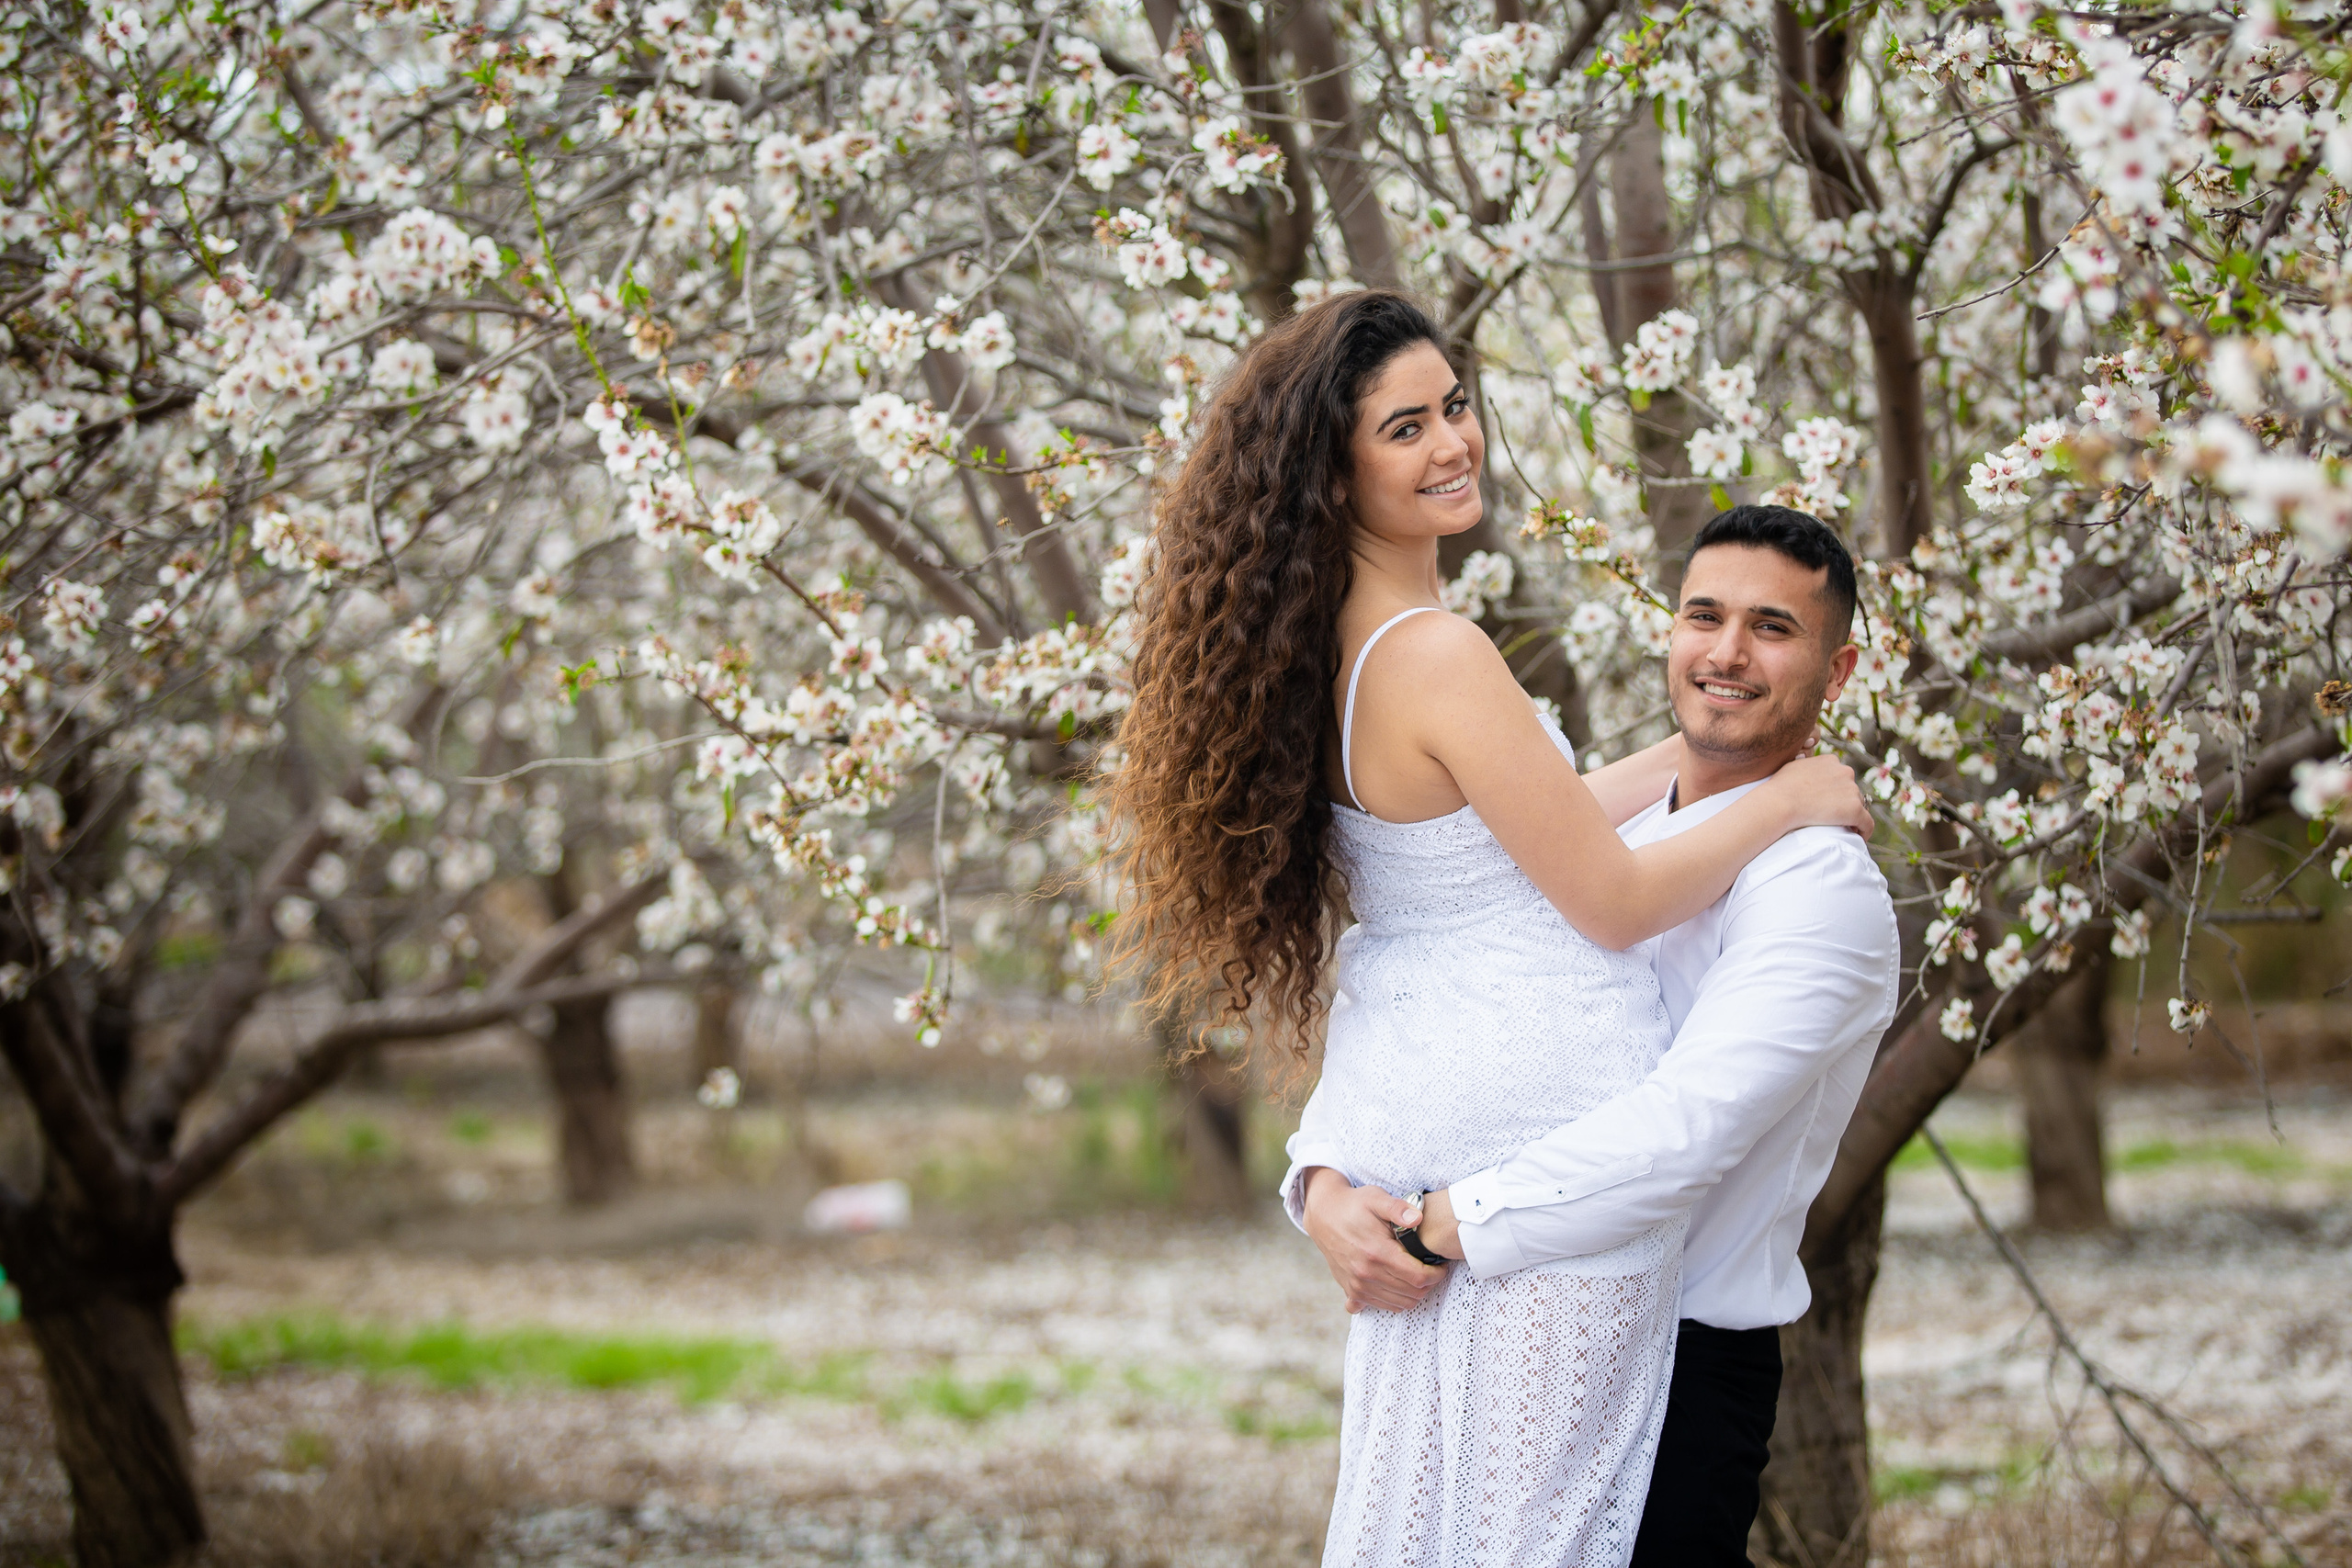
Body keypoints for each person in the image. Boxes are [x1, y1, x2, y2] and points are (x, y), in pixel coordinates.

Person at [1108, 288, 1869, 1568]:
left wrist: (1327, 1167)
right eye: (1404, 428)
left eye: (1455, 405)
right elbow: (1611, 894)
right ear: (1335, 467)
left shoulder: (1342, 649)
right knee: (1546, 1522)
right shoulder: (1439, 653)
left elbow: (1531, 824)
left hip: (1448, 1115)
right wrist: (1795, 791)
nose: (1452, 442)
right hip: (1538, 1113)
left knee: (1449, 1514)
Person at [1290, 504, 1902, 1566]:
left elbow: (1684, 1134)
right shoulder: (1608, 843)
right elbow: (1433, 984)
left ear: (1836, 670)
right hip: (1489, 1337)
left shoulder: (1818, 889)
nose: (1724, 651)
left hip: (1678, 1368)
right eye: (1702, 615)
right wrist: (1327, 1183)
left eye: (1770, 628)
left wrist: (1442, 1228)